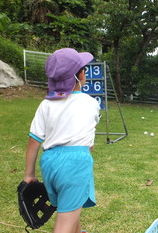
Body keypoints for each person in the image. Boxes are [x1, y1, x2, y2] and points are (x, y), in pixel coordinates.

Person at [23, 48, 100, 233]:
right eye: (84, 69)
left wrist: (29, 175)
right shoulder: (91, 103)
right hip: (76, 163)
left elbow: (34, 141)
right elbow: (89, 144)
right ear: (80, 75)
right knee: (64, 223)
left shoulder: (46, 104)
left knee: (70, 207)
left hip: (49, 162)